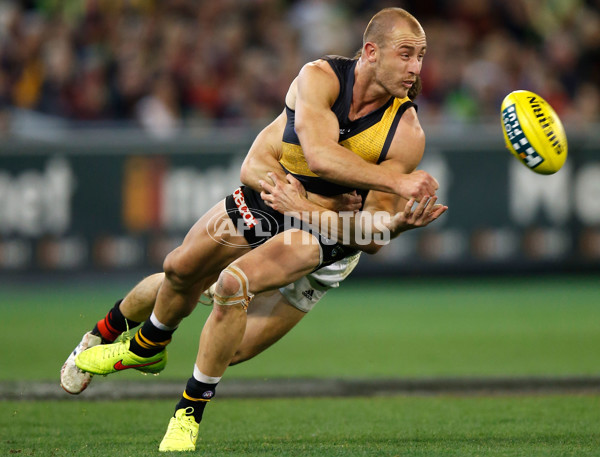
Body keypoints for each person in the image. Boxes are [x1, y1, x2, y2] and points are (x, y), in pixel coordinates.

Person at [73, 7, 444, 452]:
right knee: (179, 270)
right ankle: (131, 348)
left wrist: (395, 226)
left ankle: (166, 375)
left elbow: (370, 238)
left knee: (231, 327)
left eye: (421, 57)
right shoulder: (319, 78)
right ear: (370, 51)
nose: (416, 68)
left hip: (328, 231)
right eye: (407, 55)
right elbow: (291, 161)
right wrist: (396, 182)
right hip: (276, 201)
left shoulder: (406, 131)